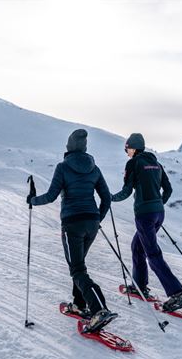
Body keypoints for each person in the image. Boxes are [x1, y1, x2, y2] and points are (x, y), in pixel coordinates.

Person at [27, 129, 117, 332]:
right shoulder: (94, 168)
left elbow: (51, 196)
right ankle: (79, 305)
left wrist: (32, 200)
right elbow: (107, 198)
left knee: (77, 269)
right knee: (80, 265)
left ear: (68, 147)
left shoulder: (63, 167)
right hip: (91, 223)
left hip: (72, 224)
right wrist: (97, 218)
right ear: (84, 147)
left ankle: (99, 309)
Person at [111, 133, 182, 312]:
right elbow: (168, 189)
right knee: (137, 247)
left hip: (144, 215)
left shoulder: (133, 163)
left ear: (133, 148)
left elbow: (126, 190)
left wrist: (110, 198)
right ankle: (139, 285)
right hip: (158, 214)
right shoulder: (156, 164)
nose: (126, 152)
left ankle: (176, 294)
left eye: (127, 149)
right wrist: (157, 204)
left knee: (152, 254)